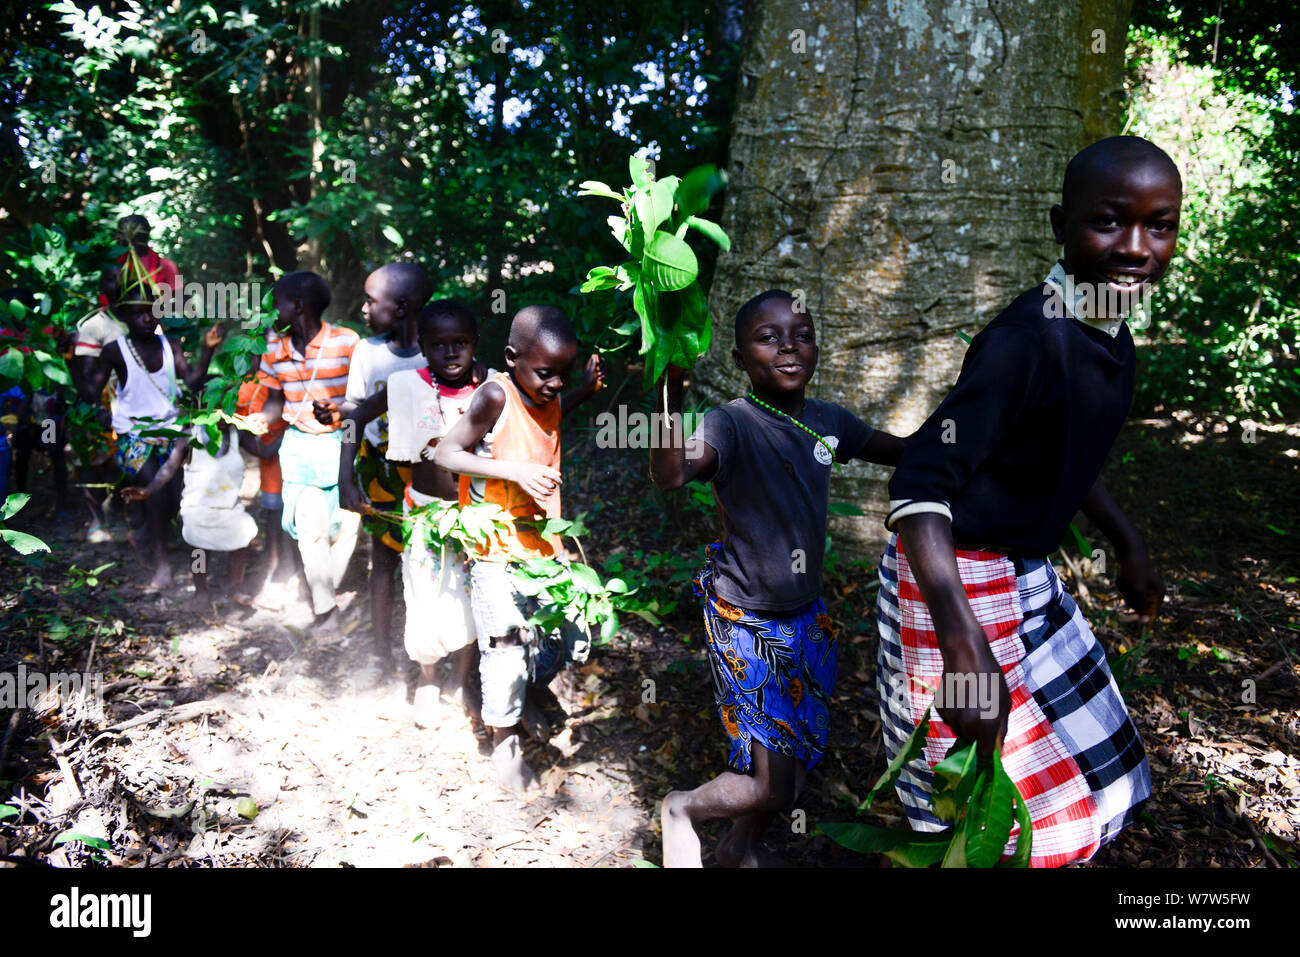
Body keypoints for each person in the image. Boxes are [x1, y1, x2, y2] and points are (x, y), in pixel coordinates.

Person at [877, 136, 1179, 867]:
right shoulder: (1026, 341)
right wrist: (959, 641)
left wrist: (1124, 541)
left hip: (1023, 573)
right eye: (1109, 222)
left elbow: (1059, 452)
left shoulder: (1109, 335)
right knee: (981, 815)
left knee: (1106, 768)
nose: (1136, 247)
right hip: (949, 577)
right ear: (1061, 227)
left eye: (1160, 224)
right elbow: (919, 483)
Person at [651, 290, 906, 867]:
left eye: (803, 334)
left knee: (793, 758)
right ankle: (682, 808)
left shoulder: (827, 421)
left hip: (805, 616)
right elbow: (672, 475)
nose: (789, 346)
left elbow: (906, 453)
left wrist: (975, 419)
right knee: (775, 785)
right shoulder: (731, 423)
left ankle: (738, 849)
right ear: (740, 359)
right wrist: (668, 385)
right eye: (769, 338)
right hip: (745, 619)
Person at [434, 305, 604, 790]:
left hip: (542, 549)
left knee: (575, 638)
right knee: (505, 646)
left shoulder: (543, 392)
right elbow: (446, 453)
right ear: (512, 358)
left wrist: (582, 392)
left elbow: (547, 414)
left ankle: (522, 693)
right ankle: (504, 741)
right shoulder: (495, 394)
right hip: (495, 552)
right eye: (545, 373)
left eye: (562, 375)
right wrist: (516, 473)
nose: (552, 384)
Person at [341, 299, 490, 720]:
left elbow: (539, 414)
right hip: (424, 514)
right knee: (425, 598)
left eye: (460, 343)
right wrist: (345, 479)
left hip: (477, 514)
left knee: (468, 600)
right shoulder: (406, 385)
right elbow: (354, 419)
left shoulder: (492, 387)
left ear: (475, 343)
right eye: (439, 345)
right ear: (423, 347)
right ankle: (427, 676)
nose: (450, 353)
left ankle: (460, 681)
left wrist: (583, 391)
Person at [77, 264, 223, 589]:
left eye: (152, 312)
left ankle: (144, 530)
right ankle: (161, 567)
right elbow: (89, 392)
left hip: (172, 435)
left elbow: (194, 381)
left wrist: (208, 350)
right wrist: (72, 359)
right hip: (134, 436)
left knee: (174, 500)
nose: (147, 318)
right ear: (125, 317)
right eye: (138, 314)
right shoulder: (116, 350)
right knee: (155, 494)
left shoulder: (170, 346)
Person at [254, 271, 360, 638]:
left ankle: (320, 588)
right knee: (310, 530)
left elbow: (363, 399)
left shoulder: (346, 343)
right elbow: (273, 402)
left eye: (278, 302)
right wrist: (252, 424)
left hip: (344, 445)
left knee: (347, 528)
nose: (273, 310)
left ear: (298, 306)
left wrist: (338, 408)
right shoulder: (274, 348)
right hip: (299, 447)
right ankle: (325, 609)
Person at [340, 263, 435, 669]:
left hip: (430, 476)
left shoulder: (441, 351)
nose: (362, 308)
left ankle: (428, 653)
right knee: (382, 560)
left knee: (428, 562)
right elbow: (351, 416)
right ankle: (380, 651)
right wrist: (345, 477)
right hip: (379, 472)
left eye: (370, 300)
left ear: (400, 307)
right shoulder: (367, 352)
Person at [123, 420, 280, 609]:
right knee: (199, 549)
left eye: (225, 410)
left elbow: (265, 451)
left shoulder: (238, 433)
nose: (221, 419)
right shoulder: (190, 435)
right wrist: (148, 490)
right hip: (197, 509)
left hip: (229, 508)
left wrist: (291, 429)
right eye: (215, 411)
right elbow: (170, 467)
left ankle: (235, 588)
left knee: (244, 534)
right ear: (203, 409)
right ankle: (200, 589)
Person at [236, 377, 291, 597]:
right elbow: (262, 449)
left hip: (300, 467)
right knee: (275, 522)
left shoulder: (287, 374)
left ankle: (290, 571)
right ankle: (276, 572)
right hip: (273, 474)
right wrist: (296, 428)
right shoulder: (244, 387)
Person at [97, 214, 180, 307]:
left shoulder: (165, 265)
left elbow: (181, 299)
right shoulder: (113, 264)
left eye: (141, 235)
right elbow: (104, 297)